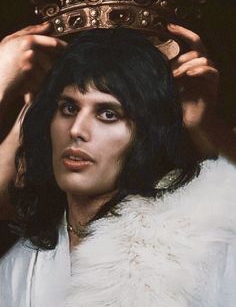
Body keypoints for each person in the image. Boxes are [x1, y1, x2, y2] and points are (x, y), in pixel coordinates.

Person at [0, 23, 236, 306]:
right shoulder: (20, 264)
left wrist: (204, 125)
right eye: (69, 108)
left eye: (108, 113)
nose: (77, 129)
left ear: (146, 133)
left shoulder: (205, 249)